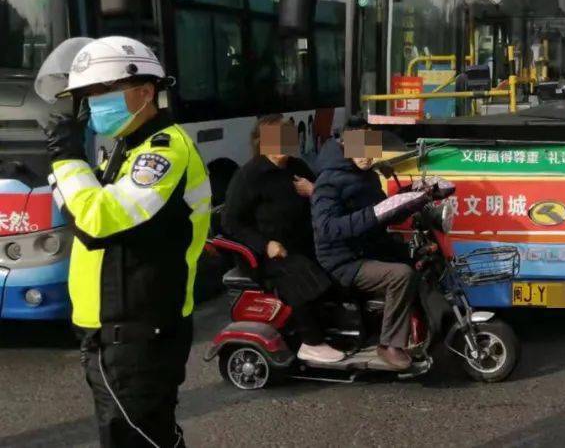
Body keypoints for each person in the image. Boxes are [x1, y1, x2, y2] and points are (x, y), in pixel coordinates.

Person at [43, 36, 209, 447]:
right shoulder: (125, 149)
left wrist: (66, 157)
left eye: (104, 91)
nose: (94, 104)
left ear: (146, 91)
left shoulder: (163, 152)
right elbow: (79, 210)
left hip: (139, 332)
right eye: (87, 96)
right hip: (118, 330)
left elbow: (95, 221)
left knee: (136, 439)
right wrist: (73, 181)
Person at [222, 115, 343, 364]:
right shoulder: (249, 175)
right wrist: (265, 245)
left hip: (304, 243)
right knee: (300, 272)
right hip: (266, 254)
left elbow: (324, 197)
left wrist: (314, 190)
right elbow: (231, 222)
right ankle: (311, 342)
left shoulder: (297, 167)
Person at [311, 122, 417, 371]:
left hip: (367, 248)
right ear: (345, 145)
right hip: (343, 260)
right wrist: (373, 215)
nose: (367, 156)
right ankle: (389, 343)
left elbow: (382, 212)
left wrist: (410, 201)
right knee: (401, 275)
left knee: (417, 257)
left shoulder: (366, 175)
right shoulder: (329, 181)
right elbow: (327, 228)